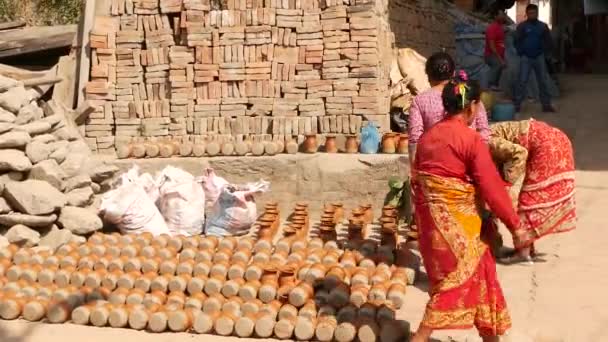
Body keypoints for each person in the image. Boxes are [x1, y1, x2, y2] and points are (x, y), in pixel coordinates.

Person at [410, 75, 519, 342]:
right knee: (451, 289)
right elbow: (492, 187)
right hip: (459, 235)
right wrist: (516, 226)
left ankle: (490, 337)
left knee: (483, 275)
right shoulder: (470, 141)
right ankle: (419, 339)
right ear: (471, 108)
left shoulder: (426, 139)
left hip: (431, 232)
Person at [488, 119, 576, 264]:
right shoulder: (484, 136)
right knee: (530, 199)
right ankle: (527, 249)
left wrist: (507, 183)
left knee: (528, 201)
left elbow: (519, 153)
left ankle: (523, 253)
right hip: (557, 139)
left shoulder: (484, 140)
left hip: (547, 146)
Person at [408, 52, 491, 164]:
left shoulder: (419, 101)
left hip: (434, 165)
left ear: (428, 76)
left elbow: (415, 140)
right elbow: (484, 132)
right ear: (453, 73)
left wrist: (415, 173)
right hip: (469, 160)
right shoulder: (468, 94)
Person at [514, 4, 555, 113]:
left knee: (543, 81)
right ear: (526, 14)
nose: (532, 15)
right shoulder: (522, 27)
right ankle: (517, 106)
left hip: (539, 57)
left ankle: (546, 105)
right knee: (522, 81)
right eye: (530, 13)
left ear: (537, 13)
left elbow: (548, 41)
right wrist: (521, 52)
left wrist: (546, 54)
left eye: (534, 13)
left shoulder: (543, 26)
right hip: (526, 58)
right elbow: (517, 41)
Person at [485, 10, 507, 90]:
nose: (503, 16)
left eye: (503, 14)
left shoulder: (500, 27)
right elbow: (492, 46)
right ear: (495, 16)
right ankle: (491, 84)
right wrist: (500, 59)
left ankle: (496, 85)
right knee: (498, 64)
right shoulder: (492, 28)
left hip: (499, 54)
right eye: (501, 14)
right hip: (491, 55)